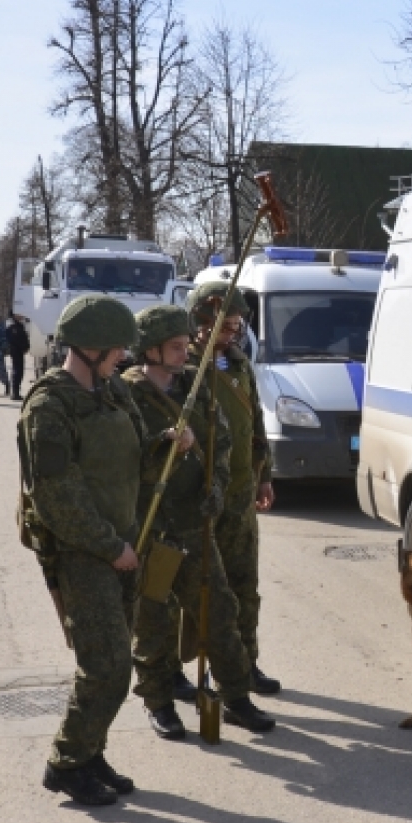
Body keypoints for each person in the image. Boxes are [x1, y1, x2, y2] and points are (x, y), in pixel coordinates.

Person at [15, 294, 149, 807]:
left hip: (124, 545)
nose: (124, 356)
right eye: (117, 348)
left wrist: (167, 441)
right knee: (108, 666)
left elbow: (138, 453)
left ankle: (91, 752)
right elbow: (56, 496)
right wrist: (108, 545)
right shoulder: (50, 406)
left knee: (114, 664)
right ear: (89, 348)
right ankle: (66, 762)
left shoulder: (113, 390)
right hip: (83, 553)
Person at [123, 304, 275, 742]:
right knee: (152, 623)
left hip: (195, 523)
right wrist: (163, 447)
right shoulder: (127, 394)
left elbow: (223, 441)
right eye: (173, 345)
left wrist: (215, 487)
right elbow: (123, 461)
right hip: (153, 528)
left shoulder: (196, 386)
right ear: (149, 349)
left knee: (220, 612)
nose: (182, 351)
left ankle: (236, 699)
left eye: (183, 343)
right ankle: (159, 703)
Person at [188, 282, 279, 697]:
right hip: (203, 497)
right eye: (223, 326)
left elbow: (256, 423)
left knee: (245, 587)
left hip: (242, 492)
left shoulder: (240, 363)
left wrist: (265, 475)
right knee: (202, 591)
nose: (231, 334)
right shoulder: (185, 368)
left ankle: (247, 664)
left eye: (237, 326)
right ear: (200, 324)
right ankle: (194, 669)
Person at [5, 313, 31, 400]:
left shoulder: (19, 325)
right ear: (14, 316)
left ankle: (16, 392)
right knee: (17, 371)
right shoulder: (12, 326)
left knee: (19, 371)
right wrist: (23, 347)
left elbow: (23, 337)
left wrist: (26, 347)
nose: (21, 316)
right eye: (19, 314)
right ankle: (15, 393)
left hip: (19, 351)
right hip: (16, 351)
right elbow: (15, 340)